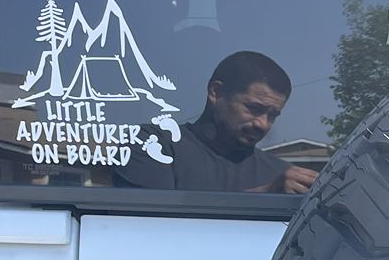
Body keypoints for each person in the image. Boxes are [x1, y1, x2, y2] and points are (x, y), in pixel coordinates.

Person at [119, 50, 318, 194]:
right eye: (254, 108)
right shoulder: (152, 145)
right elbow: (151, 226)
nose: (263, 124)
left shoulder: (279, 175)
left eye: (273, 115)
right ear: (216, 92)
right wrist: (266, 196)